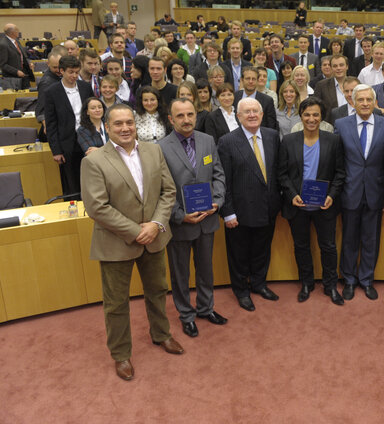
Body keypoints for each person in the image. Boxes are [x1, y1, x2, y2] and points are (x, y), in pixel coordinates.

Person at [80, 103, 182, 381]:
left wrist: (156, 224)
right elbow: (97, 208)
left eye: (129, 123)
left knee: (158, 290)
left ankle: (161, 335)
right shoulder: (94, 161)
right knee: (116, 304)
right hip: (116, 244)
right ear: (108, 127)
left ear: (136, 125)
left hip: (154, 237)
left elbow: (168, 191)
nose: (125, 128)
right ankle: (121, 354)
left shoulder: (153, 150)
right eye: (118, 124)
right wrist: (137, 231)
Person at [159, 99, 227, 338]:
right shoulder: (160, 147)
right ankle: (186, 315)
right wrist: (179, 215)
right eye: (180, 116)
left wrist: (217, 201)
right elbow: (160, 188)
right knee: (180, 274)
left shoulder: (207, 141)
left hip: (207, 219)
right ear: (171, 119)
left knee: (206, 269)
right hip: (180, 222)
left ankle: (206, 308)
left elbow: (218, 174)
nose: (186, 120)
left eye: (190, 114)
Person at [278, 97, 345, 305]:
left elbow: (340, 173)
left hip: (324, 205)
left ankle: (330, 285)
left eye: (315, 114)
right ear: (301, 116)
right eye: (307, 114)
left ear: (321, 116)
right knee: (301, 246)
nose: (311, 118)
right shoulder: (288, 141)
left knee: (328, 247)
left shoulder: (333, 140)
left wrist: (331, 195)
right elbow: (282, 174)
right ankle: (307, 283)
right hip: (298, 205)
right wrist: (292, 195)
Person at [218, 97, 281, 310]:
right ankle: (241, 290)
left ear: (262, 115)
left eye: (256, 111)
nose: (252, 115)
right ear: (238, 116)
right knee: (239, 254)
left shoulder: (273, 136)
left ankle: (259, 284)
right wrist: (228, 213)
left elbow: (277, 172)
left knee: (262, 250)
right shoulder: (227, 141)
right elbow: (223, 180)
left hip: (268, 207)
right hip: (240, 211)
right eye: (247, 112)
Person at [334, 84, 384, 301]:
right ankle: (349, 280)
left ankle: (367, 280)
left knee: (371, 239)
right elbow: (336, 162)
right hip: (349, 191)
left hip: (376, 191)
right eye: (360, 100)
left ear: (375, 101)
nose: (365, 104)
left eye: (369, 100)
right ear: (352, 101)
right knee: (349, 239)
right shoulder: (341, 125)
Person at [44, 54, 94, 197]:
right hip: (67, 142)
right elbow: (51, 123)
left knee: (90, 177)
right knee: (71, 181)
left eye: (77, 72)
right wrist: (56, 150)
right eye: (70, 72)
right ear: (61, 71)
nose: (74, 75)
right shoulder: (52, 92)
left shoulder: (85, 87)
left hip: (87, 137)